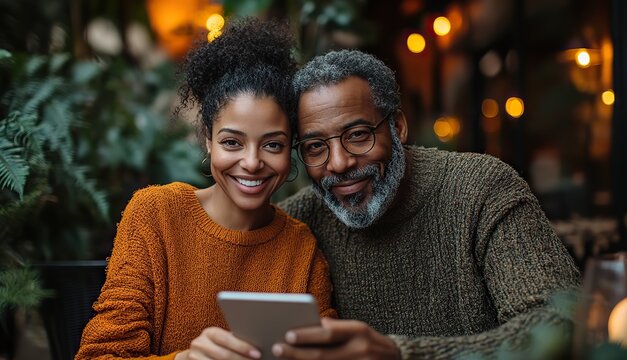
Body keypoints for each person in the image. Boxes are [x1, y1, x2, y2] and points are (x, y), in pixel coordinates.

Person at [275, 50, 580, 359]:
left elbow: (560, 321)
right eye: (315, 147)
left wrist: (401, 354)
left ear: (398, 126)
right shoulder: (298, 221)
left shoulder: (482, 189)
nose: (339, 164)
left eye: (357, 135)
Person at [75, 18, 335, 360]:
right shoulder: (156, 214)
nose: (252, 162)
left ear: (291, 150)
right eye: (232, 142)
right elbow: (99, 355)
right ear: (207, 139)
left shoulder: (301, 249)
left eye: (273, 145)